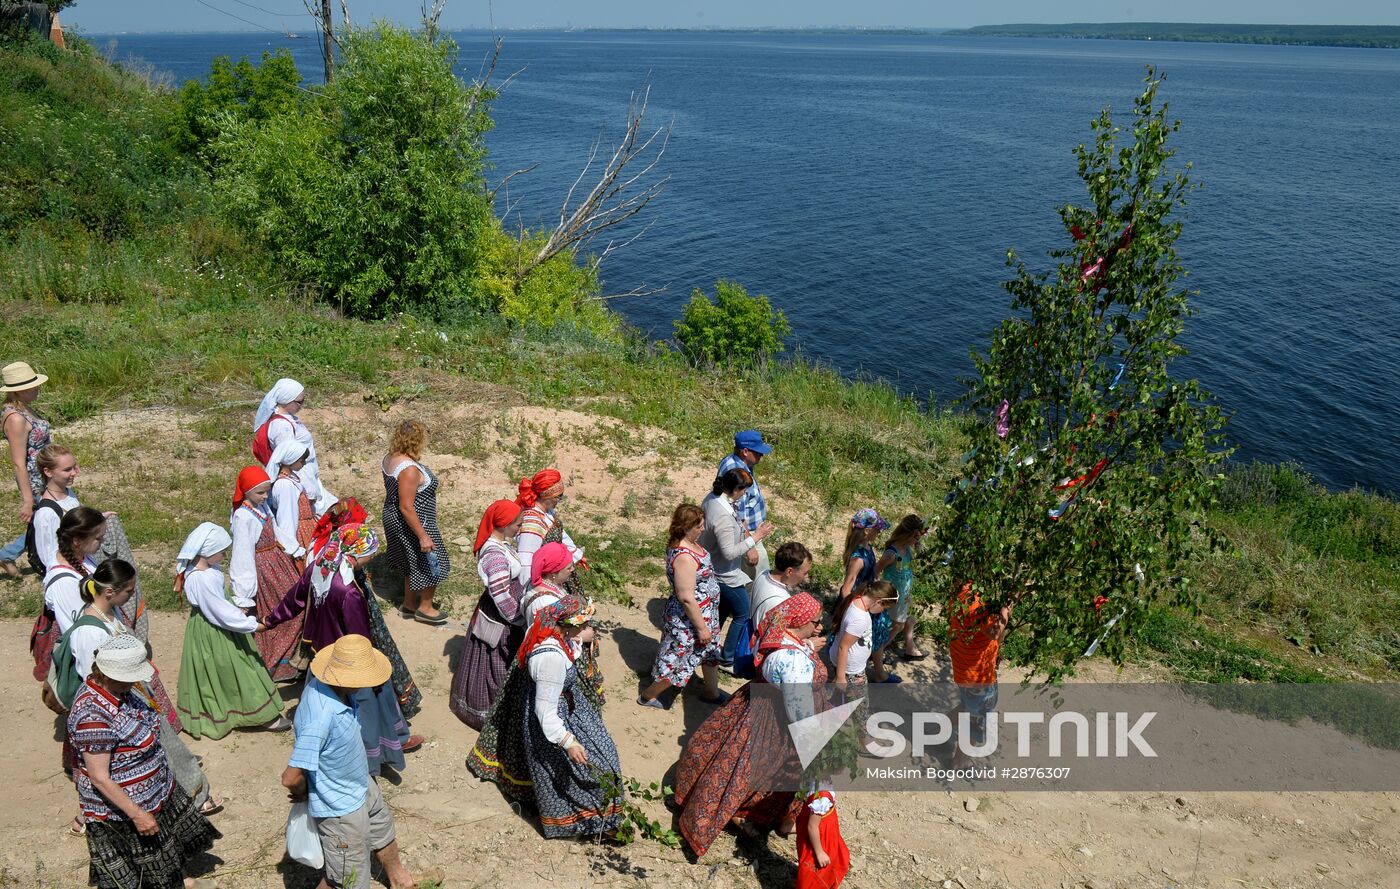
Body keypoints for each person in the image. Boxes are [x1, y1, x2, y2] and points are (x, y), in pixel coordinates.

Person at [53, 559, 222, 831]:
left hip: (136, 696)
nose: (132, 597)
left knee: (160, 752)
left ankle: (190, 796)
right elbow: (93, 679)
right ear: (110, 592)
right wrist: (126, 715)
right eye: (129, 592)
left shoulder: (112, 613)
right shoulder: (87, 632)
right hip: (122, 708)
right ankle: (190, 798)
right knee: (126, 765)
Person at [673, 593, 827, 857]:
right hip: (776, 721)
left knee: (730, 761)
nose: (819, 626)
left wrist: (808, 646)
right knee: (755, 771)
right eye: (816, 621)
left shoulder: (776, 634)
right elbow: (798, 711)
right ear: (800, 620)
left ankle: (745, 811)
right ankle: (743, 815)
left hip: (753, 706)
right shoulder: (793, 661)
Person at [281, 635, 439, 889]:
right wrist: (306, 792)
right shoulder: (321, 717)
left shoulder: (333, 688)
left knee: (382, 830)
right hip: (340, 808)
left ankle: (401, 881)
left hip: (359, 782)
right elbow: (291, 777)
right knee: (344, 877)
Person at [263, 524, 422, 770]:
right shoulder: (349, 592)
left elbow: (294, 599)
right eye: (370, 553)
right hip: (349, 658)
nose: (371, 558)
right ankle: (379, 750)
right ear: (355, 556)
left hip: (322, 651)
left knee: (323, 698)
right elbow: (358, 636)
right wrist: (368, 661)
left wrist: (269, 621)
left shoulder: (320, 566)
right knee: (369, 702)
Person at [467, 594, 624, 839]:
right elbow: (546, 712)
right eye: (583, 625)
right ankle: (587, 823)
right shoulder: (549, 657)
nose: (586, 629)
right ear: (568, 624)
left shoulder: (551, 631)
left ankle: (601, 817)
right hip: (555, 719)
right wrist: (568, 742)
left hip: (567, 705)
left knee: (604, 756)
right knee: (592, 767)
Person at [69, 634, 220, 889]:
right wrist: (138, 815)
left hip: (154, 793)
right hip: (124, 811)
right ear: (109, 674)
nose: (136, 680)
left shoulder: (120, 691)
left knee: (164, 850)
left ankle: (183, 881)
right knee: (140, 868)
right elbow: (99, 776)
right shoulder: (92, 715)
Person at [174, 522, 291, 739]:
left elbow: (219, 604)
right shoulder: (204, 578)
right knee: (239, 668)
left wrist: (235, 604)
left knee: (211, 672)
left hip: (205, 627)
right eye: (221, 552)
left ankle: (222, 710)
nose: (224, 555)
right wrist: (253, 624)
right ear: (207, 552)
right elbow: (219, 612)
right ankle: (261, 715)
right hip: (217, 630)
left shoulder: (200, 570)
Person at [638, 504, 727, 710]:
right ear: (686, 528)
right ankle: (649, 695)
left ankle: (711, 692)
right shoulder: (684, 557)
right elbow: (686, 597)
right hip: (690, 620)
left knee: (710, 652)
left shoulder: (690, 543)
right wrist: (701, 628)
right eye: (699, 526)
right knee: (679, 660)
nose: (702, 529)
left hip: (706, 614)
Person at [450, 499, 525, 730]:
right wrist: (518, 620)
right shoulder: (494, 555)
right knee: (495, 663)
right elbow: (501, 593)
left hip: (502, 610)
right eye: (517, 525)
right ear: (503, 525)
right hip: (502, 616)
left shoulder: (501, 544)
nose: (519, 529)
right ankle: (488, 713)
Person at [230, 465, 309, 683]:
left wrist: (296, 550)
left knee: (299, 602)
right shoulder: (243, 517)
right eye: (260, 492)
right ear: (246, 491)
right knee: (283, 610)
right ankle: (277, 663)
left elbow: (277, 532)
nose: (265, 496)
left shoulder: (262, 507)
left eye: (267, 491)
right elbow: (242, 555)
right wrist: (244, 593)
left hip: (278, 561)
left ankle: (294, 657)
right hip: (264, 570)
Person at [699, 466, 774, 671]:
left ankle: (708, 650)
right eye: (744, 490)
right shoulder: (721, 515)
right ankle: (727, 659)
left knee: (722, 611)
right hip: (724, 573)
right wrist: (755, 538)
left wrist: (744, 530)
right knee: (743, 613)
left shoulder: (713, 499)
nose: (744, 495)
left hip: (714, 568)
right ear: (736, 490)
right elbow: (730, 553)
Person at [381, 419, 449, 626]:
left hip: (393, 517)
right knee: (434, 562)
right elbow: (407, 506)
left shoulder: (390, 458)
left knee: (411, 560)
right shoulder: (409, 469)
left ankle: (410, 605)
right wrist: (423, 535)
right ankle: (425, 608)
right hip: (414, 520)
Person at [948, 583, 1011, 763]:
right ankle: (959, 763)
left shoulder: (962, 590)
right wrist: (1006, 610)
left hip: (964, 670)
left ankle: (936, 727)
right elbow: (994, 632)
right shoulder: (977, 604)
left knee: (968, 706)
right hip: (978, 677)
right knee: (976, 724)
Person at [254, 377, 336, 514]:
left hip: (308, 476)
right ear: (286, 400)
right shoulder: (281, 426)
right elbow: (291, 460)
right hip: (302, 479)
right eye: (299, 402)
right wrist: (309, 491)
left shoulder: (289, 419)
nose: (302, 405)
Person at [2, 360, 52, 577]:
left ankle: (7, 554)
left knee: (50, 520)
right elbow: (18, 462)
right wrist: (27, 499)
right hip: (36, 479)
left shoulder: (24, 408)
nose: (37, 389)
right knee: (58, 519)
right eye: (32, 386)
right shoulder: (15, 419)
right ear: (20, 391)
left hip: (46, 474)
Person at [828, 579, 897, 732]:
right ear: (878, 601)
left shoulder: (856, 599)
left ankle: (836, 720)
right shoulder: (860, 619)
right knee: (861, 705)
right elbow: (843, 647)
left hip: (846, 665)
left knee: (842, 699)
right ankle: (864, 738)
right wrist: (840, 677)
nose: (883, 611)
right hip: (851, 670)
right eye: (884, 607)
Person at [838, 508, 898, 683]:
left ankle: (877, 671)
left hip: (870, 597)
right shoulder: (858, 558)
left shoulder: (867, 547)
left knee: (877, 634)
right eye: (877, 529)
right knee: (863, 637)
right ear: (867, 530)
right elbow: (846, 588)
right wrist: (853, 609)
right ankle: (872, 673)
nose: (879, 532)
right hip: (862, 602)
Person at [718, 429, 774, 577]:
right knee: (759, 578)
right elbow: (737, 515)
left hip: (749, 533)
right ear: (745, 451)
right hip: (747, 535)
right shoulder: (738, 474)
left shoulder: (734, 461)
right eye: (757, 452)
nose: (761, 455)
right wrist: (750, 546)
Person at [875, 514, 930, 660]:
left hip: (903, 594)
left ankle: (908, 648)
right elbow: (877, 570)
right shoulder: (891, 553)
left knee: (907, 620)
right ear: (906, 535)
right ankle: (878, 650)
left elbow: (923, 553)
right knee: (897, 625)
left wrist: (919, 540)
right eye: (915, 537)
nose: (917, 540)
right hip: (892, 594)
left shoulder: (907, 547)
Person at [27, 443, 79, 573]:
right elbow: (48, 557)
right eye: (67, 470)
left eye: (74, 467)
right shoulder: (46, 513)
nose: (74, 472)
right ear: (48, 472)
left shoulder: (68, 494)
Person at [266, 439, 316, 567]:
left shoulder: (291, 479)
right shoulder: (284, 485)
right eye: (301, 461)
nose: (304, 464)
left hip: (307, 529)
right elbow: (287, 517)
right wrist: (291, 546)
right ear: (291, 460)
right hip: (300, 533)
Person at [796, 779, 851, 889]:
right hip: (819, 838)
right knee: (814, 871)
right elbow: (812, 826)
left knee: (835, 859)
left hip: (828, 833)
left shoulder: (820, 780)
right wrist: (819, 852)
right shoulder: (822, 796)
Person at [750, 540, 814, 630]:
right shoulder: (781, 602)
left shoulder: (763, 574)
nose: (806, 577)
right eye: (805, 573)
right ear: (789, 571)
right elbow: (774, 638)